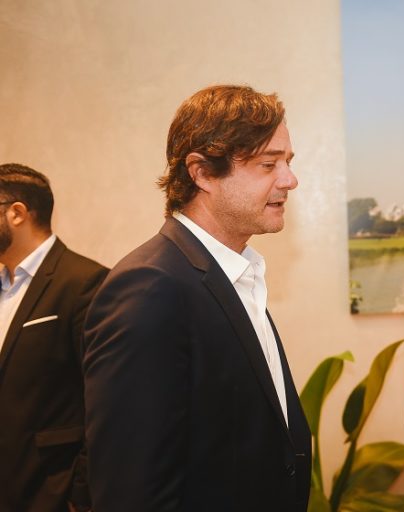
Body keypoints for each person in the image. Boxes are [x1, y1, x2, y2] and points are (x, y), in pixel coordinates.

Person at [82, 85, 310, 511]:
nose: (289, 179)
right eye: (268, 164)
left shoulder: (236, 273)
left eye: (288, 162)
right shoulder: (150, 288)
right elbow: (132, 491)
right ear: (202, 172)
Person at [0, 164, 108, 512]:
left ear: (17, 213)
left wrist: (79, 494)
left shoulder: (84, 283)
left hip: (50, 492)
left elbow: (104, 399)